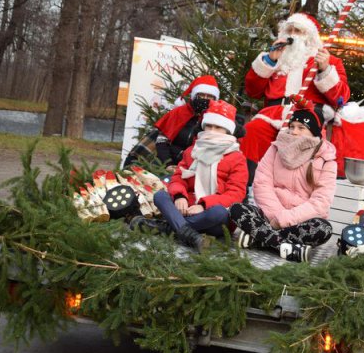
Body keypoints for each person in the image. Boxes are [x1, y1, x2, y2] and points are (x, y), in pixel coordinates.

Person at [241, 13, 350, 181]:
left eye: (298, 30)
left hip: (307, 114)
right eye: (289, 30)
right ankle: (248, 186)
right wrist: (269, 61)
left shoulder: (328, 60)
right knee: (252, 131)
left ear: (310, 36)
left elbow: (341, 97)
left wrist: (325, 69)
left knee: (302, 141)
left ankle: (294, 189)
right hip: (272, 114)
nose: (292, 34)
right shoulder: (275, 58)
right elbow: (252, 91)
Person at [132, 100, 248, 251]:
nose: (212, 131)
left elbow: (236, 194)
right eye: (209, 126)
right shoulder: (192, 151)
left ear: (228, 131)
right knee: (161, 196)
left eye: (218, 127)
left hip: (213, 217)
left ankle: (167, 227)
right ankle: (192, 236)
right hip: (188, 207)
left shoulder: (237, 158)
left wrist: (203, 205)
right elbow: (178, 178)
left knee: (219, 213)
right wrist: (180, 196)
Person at [229, 105, 337, 262]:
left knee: (323, 229)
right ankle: (285, 247)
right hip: (269, 216)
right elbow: (262, 183)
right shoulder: (276, 148)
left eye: (301, 128)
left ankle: (259, 239)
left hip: (300, 221)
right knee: (237, 209)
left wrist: (284, 220)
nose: (293, 132)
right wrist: (275, 216)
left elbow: (321, 202)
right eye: (292, 126)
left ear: (313, 132)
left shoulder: (326, 159)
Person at [123, 75, 220, 169]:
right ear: (194, 95)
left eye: (209, 96)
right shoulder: (179, 113)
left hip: (194, 166)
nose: (205, 99)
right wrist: (168, 164)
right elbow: (161, 141)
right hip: (166, 160)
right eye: (201, 95)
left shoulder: (216, 120)